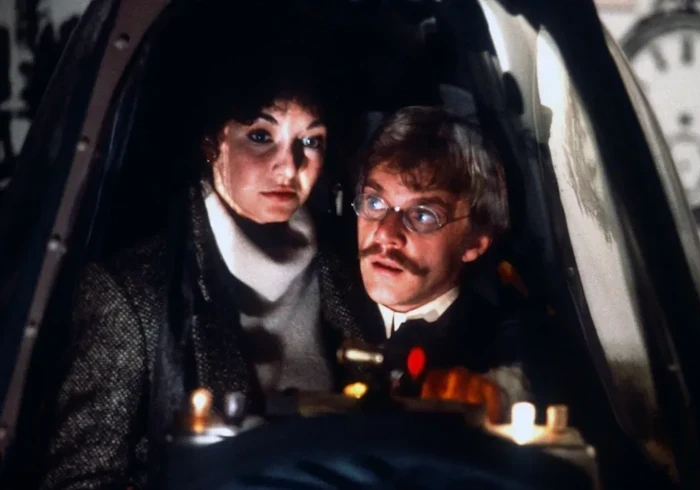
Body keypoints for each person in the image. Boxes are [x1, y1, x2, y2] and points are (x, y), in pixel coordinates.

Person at [20, 7, 367, 489]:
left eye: (311, 141)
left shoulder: (349, 274)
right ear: (211, 141)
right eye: (261, 136)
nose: (290, 167)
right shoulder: (132, 295)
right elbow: (78, 481)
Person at [351, 106, 530, 422]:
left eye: (422, 215)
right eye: (374, 203)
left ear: (474, 243)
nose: (385, 233)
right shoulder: (326, 302)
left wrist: (498, 395)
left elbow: (536, 378)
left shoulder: (500, 342)